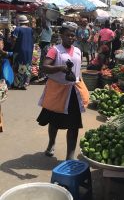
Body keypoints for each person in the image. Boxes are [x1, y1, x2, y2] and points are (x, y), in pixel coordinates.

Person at [37, 22, 89, 159]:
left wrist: (82, 86)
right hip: (57, 92)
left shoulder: (78, 50)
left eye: (73, 35)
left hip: (73, 92)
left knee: (74, 124)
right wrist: (60, 68)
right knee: (54, 121)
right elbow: (45, 66)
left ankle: (69, 156)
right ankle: (51, 143)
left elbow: (78, 71)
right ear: (61, 35)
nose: (71, 38)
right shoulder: (55, 50)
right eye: (68, 35)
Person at [11, 15, 34, 90]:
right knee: (27, 66)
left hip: (19, 50)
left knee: (18, 66)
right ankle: (25, 83)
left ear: (19, 22)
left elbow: (14, 39)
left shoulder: (17, 29)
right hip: (29, 51)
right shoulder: (30, 29)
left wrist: (12, 46)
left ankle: (17, 84)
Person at [38, 17, 53, 82]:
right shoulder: (44, 30)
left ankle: (45, 77)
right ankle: (44, 76)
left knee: (44, 61)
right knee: (42, 61)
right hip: (44, 45)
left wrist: (43, 14)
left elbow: (44, 23)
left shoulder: (48, 29)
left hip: (46, 46)